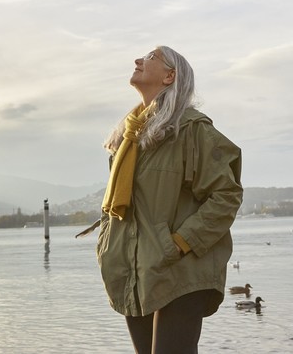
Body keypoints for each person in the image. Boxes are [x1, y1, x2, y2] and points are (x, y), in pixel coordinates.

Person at [96, 45, 243, 354]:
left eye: (151, 57)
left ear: (169, 76)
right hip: (135, 270)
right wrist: (108, 244)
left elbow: (226, 195)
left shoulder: (191, 130)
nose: (138, 59)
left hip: (177, 269)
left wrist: (180, 242)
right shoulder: (130, 136)